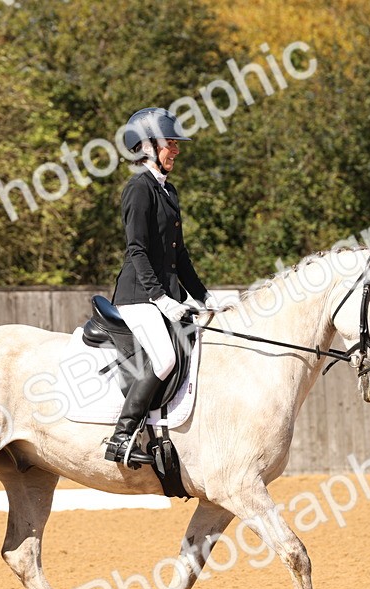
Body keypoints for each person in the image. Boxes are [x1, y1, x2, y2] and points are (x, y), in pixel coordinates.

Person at [104, 107, 223, 466]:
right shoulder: (138, 188)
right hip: (138, 296)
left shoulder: (168, 191)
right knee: (165, 357)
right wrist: (159, 297)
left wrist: (204, 296)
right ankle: (122, 435)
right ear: (147, 146)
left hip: (164, 296)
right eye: (170, 143)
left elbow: (179, 255)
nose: (177, 149)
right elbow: (137, 250)